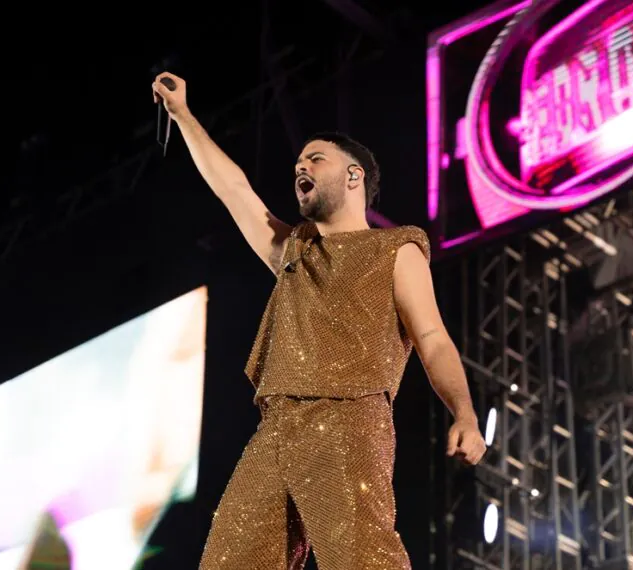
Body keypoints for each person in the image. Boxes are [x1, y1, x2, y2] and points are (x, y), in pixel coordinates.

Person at [152, 72, 487, 570]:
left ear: (354, 177)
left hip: (348, 418)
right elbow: (233, 189)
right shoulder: (295, 250)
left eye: (315, 158)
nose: (299, 166)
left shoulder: (395, 247)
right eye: (298, 161)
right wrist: (182, 115)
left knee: (360, 559)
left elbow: (432, 337)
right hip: (277, 427)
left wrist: (464, 413)